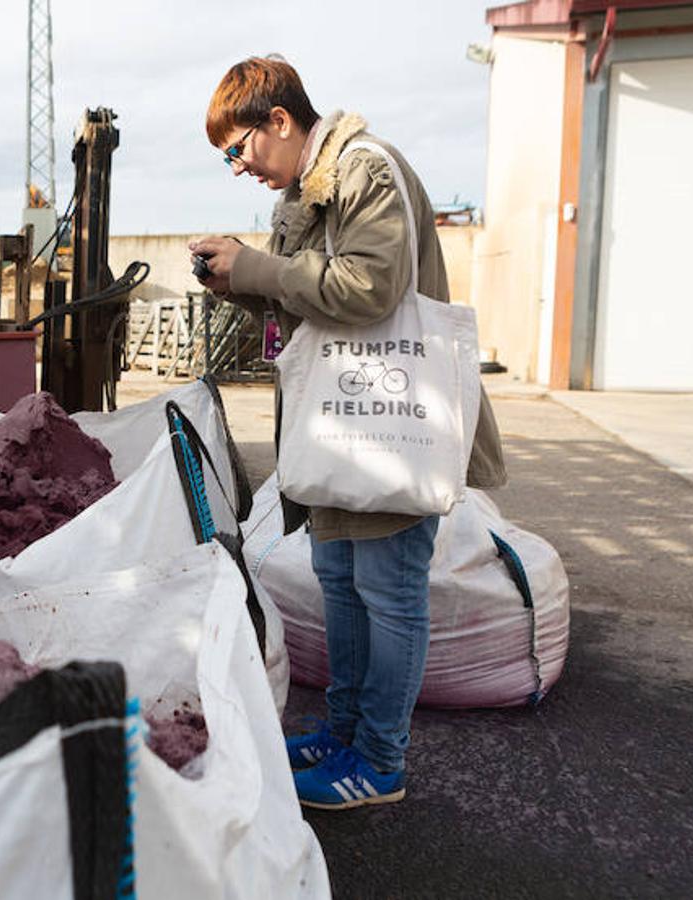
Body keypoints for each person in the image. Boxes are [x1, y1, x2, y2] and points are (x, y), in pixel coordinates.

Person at [190, 56, 507, 810]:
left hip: (389, 420)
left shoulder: (363, 168)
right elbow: (305, 312)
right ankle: (341, 733)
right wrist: (238, 283)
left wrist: (258, 267)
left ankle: (378, 761)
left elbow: (368, 289)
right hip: (343, 425)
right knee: (341, 585)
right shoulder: (306, 192)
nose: (238, 168)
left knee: (389, 591)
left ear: (277, 120)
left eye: (238, 150)